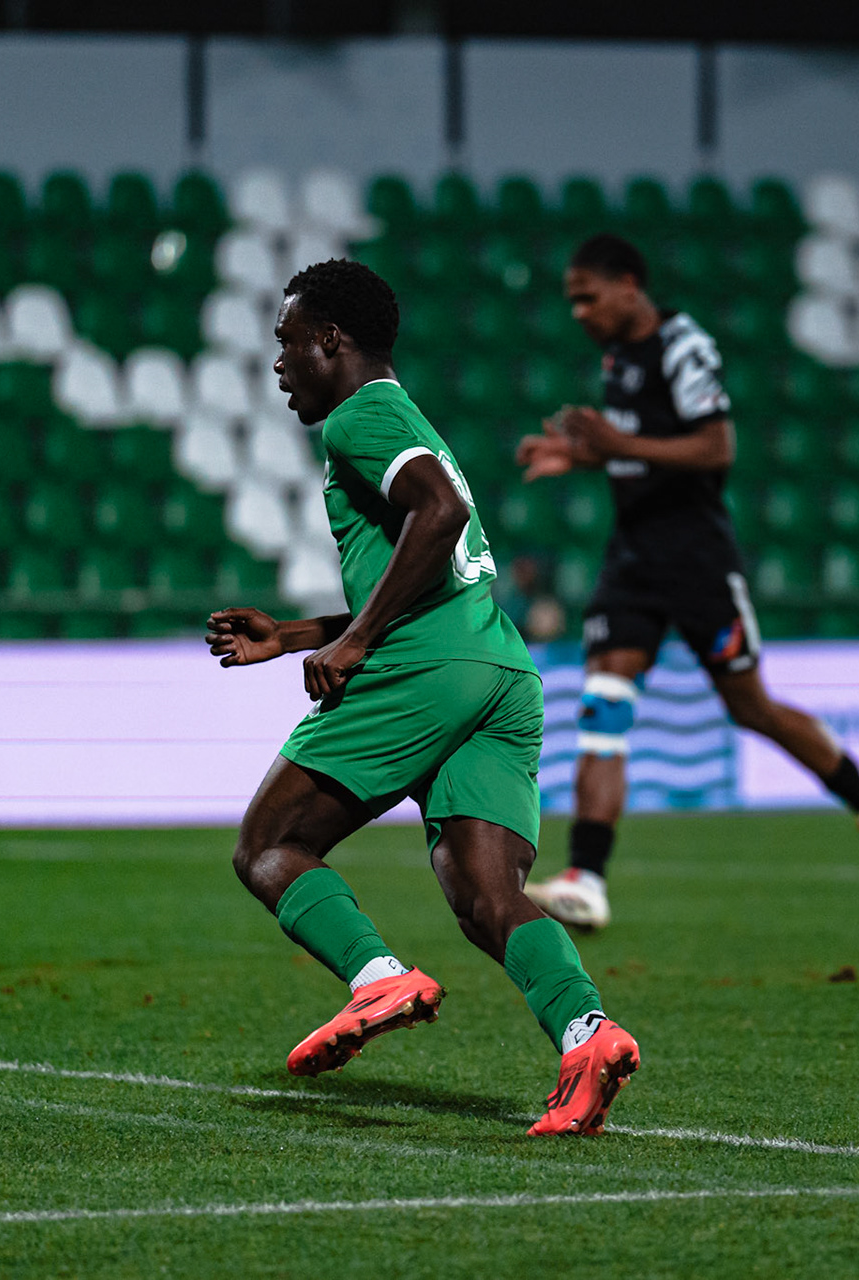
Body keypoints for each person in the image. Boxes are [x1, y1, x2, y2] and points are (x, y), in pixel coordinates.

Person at [207, 259, 638, 1136]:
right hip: (497, 669)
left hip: (423, 671)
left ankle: (376, 978)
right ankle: (587, 1035)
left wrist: (356, 643)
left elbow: (435, 516)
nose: (281, 365)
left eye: (289, 344)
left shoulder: (361, 416)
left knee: (267, 847)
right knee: (488, 896)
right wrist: (295, 634)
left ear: (332, 341)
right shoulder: (408, 419)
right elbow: (431, 557)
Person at [513, 233, 859, 931]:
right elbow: (639, 451)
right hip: (633, 557)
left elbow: (714, 445)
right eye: (572, 299)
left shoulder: (682, 345)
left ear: (630, 285)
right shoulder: (619, 356)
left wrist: (615, 445)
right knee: (604, 702)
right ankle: (587, 875)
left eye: (588, 296)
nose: (578, 311)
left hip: (697, 558)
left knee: (750, 708)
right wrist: (581, 455)